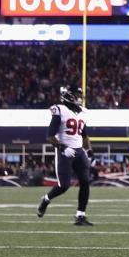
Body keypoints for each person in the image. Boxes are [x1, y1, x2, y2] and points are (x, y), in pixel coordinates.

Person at [37, 86, 95, 226]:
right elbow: (50, 136)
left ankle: (80, 216)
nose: (80, 98)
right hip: (65, 152)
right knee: (64, 186)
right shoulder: (60, 110)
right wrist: (63, 147)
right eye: (77, 95)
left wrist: (90, 151)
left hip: (79, 151)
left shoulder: (82, 113)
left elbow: (84, 135)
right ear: (69, 96)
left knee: (85, 181)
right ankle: (46, 199)